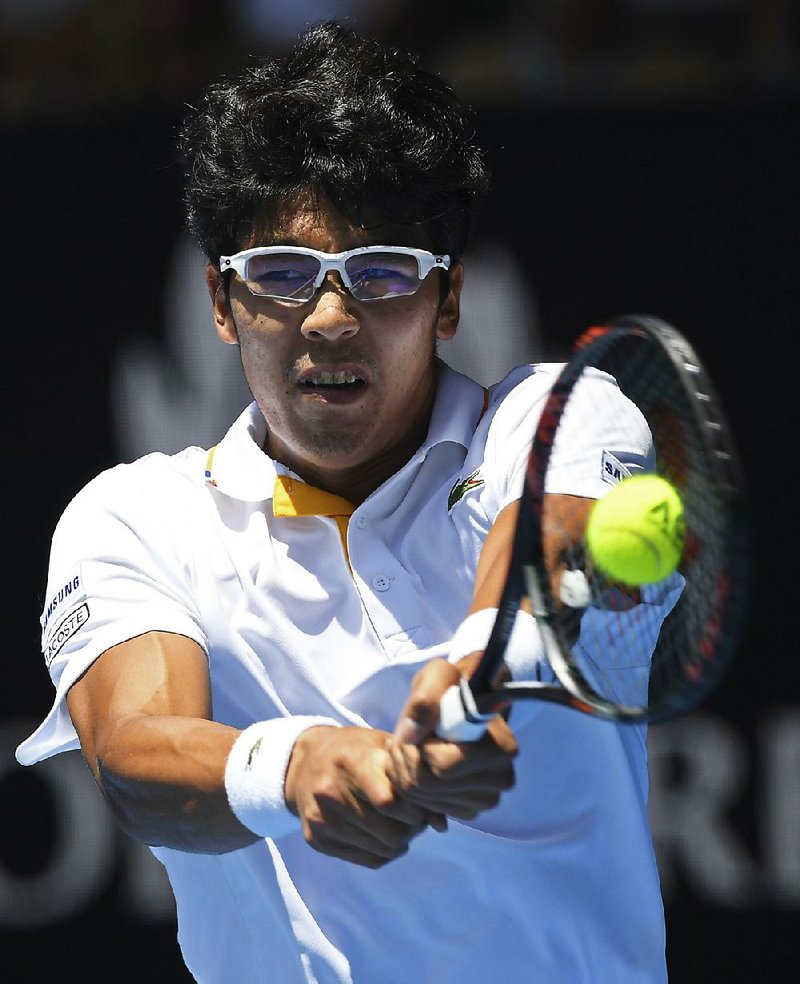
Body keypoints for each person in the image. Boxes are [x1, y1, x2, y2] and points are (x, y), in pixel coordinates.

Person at [16, 22, 666, 983]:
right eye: (279, 274)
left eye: (382, 272)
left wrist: (485, 665)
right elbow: (135, 756)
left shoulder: (563, 414)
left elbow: (550, 545)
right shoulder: (133, 517)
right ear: (221, 303)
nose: (329, 317)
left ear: (448, 302)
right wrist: (293, 766)